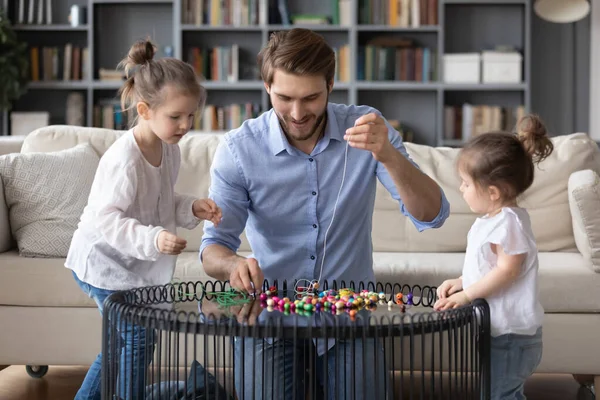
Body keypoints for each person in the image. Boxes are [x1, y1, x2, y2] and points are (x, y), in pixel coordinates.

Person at [200, 28, 450, 399]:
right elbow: (213, 249)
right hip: (269, 318)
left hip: (345, 318)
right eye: (284, 97)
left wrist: (390, 155)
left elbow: (433, 215)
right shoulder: (239, 150)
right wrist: (233, 265)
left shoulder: (366, 128)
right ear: (267, 86)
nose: (298, 113)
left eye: (311, 97)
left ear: (331, 84)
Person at [65, 39, 222, 400]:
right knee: (137, 335)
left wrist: (191, 207)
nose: (185, 125)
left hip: (128, 263)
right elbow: (107, 220)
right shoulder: (125, 160)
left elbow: (160, 201)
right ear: (145, 110)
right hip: (102, 263)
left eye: (190, 116)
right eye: (175, 116)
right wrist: (153, 239)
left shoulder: (169, 150)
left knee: (124, 341)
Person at [434, 115, 553, 399]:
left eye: (465, 183)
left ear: (493, 192)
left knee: (502, 395)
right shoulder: (494, 219)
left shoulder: (509, 222)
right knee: (493, 392)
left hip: (512, 336)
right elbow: (490, 267)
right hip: (500, 331)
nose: (461, 189)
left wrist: (467, 295)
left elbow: (508, 271)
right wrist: (463, 281)